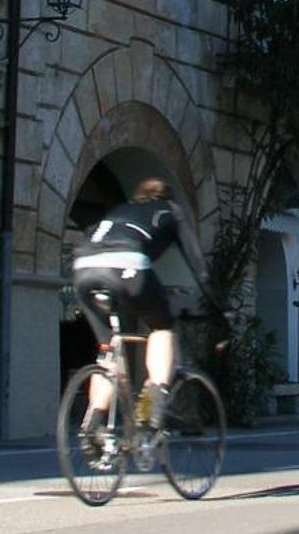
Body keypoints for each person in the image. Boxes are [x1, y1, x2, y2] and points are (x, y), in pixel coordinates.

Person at [67, 178, 213, 435]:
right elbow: (196, 263)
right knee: (162, 329)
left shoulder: (120, 211)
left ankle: (94, 423)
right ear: (166, 197)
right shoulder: (171, 210)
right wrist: (213, 301)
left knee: (108, 349)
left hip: (83, 269)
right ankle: (153, 405)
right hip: (127, 265)